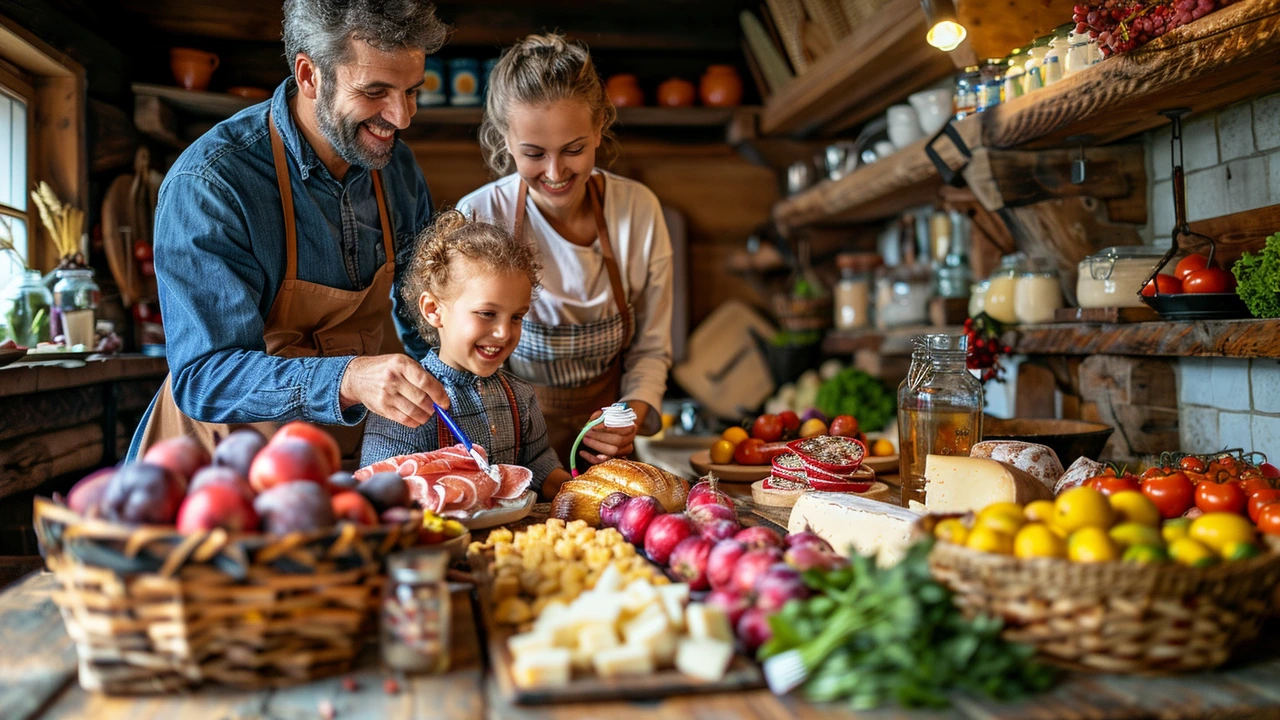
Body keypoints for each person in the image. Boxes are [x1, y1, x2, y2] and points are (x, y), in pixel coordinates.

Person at [127, 0, 454, 462]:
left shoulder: (396, 168)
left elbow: (426, 320)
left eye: (412, 91)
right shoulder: (212, 183)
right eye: (375, 91)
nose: (401, 117)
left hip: (334, 463)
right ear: (309, 76)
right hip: (217, 469)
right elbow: (205, 377)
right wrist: (347, 378)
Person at [456, 33, 674, 471]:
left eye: (574, 150)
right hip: (506, 455)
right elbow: (461, 356)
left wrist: (628, 417)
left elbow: (651, 350)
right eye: (534, 153)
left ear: (598, 130)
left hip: (608, 459)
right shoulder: (480, 215)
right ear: (505, 139)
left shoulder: (638, 211)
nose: (555, 173)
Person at [361, 210, 568, 498]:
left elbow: (538, 464)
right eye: (487, 314)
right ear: (433, 310)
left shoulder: (520, 396)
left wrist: (574, 488)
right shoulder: (406, 402)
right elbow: (381, 492)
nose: (504, 333)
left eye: (517, 317)